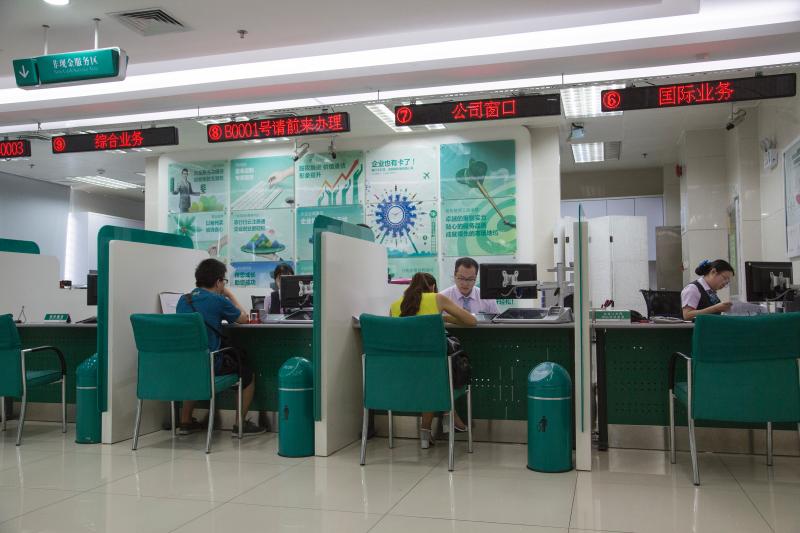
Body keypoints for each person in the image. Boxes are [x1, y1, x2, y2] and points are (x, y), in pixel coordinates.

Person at [176, 258, 265, 436]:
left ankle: (185, 421)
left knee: (195, 370)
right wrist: (229, 295)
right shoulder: (217, 300)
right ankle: (239, 424)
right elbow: (244, 318)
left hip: (186, 363)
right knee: (247, 374)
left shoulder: (183, 300)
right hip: (211, 363)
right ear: (218, 282)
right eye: (224, 281)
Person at [389, 272, 477, 448]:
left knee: (428, 373)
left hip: (404, 371)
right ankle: (448, 416)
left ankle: (433, 428)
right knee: (437, 372)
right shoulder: (437, 298)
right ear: (432, 287)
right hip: (434, 371)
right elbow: (471, 321)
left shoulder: (394, 306)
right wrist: (443, 317)